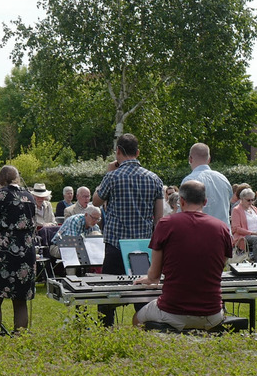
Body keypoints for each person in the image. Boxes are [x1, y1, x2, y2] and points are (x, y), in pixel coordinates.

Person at [133, 180, 233, 331]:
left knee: (137, 318)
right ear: (205, 202)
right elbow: (219, 265)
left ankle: (149, 352)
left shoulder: (166, 224)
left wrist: (148, 278)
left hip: (172, 310)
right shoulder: (222, 228)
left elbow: (154, 276)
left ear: (181, 201)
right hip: (212, 314)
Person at [92, 133, 164, 326]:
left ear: (118, 152)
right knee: (143, 294)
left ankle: (105, 333)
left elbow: (95, 201)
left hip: (116, 245)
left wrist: (106, 174)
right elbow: (159, 218)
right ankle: (145, 330)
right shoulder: (154, 179)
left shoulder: (112, 177)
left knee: (108, 295)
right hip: (142, 247)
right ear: (138, 152)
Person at [0, 165, 36, 336]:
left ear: (1, 179)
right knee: (20, 299)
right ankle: (19, 337)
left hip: (6, 250)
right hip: (27, 250)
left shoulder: (1, 194)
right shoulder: (29, 196)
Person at [181, 142, 232, 226]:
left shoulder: (189, 181)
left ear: (190, 159)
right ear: (209, 159)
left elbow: (183, 210)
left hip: (200, 232)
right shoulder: (223, 179)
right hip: (223, 232)